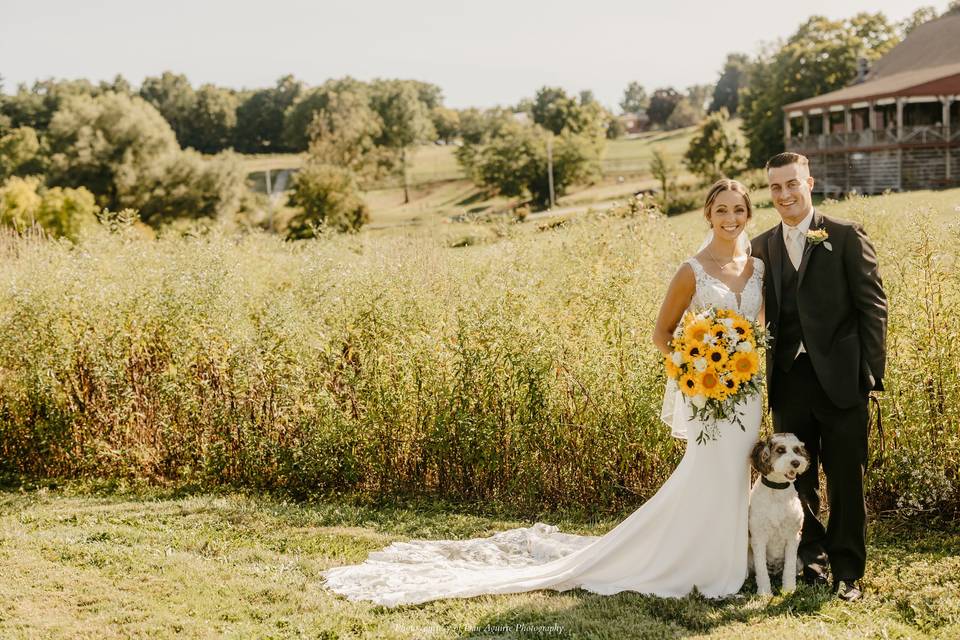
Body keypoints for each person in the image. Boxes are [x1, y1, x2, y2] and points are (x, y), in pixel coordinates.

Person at [321, 179, 764, 607]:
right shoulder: (692, 270)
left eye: (738, 209)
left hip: (747, 394)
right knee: (706, 474)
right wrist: (697, 368)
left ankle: (733, 560)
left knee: (736, 476)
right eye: (721, 209)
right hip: (709, 395)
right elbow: (662, 334)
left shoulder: (757, 267)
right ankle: (698, 563)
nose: (731, 217)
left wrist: (740, 363)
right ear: (708, 214)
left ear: (748, 213)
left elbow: (760, 331)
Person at [750, 152, 887, 602]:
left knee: (846, 477)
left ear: (809, 182)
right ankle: (809, 559)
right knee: (797, 479)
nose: (784, 194)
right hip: (789, 378)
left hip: (844, 377)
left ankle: (848, 572)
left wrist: (871, 373)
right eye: (775, 187)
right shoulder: (761, 245)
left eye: (792, 184)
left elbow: (873, 306)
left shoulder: (845, 235)